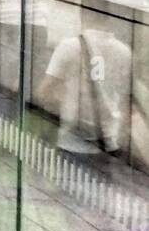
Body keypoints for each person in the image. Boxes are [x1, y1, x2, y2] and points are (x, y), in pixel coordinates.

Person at [37, 28, 131, 161]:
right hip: (109, 142)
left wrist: (61, 101)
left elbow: (44, 92)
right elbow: (126, 100)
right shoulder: (124, 52)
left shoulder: (69, 46)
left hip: (72, 141)